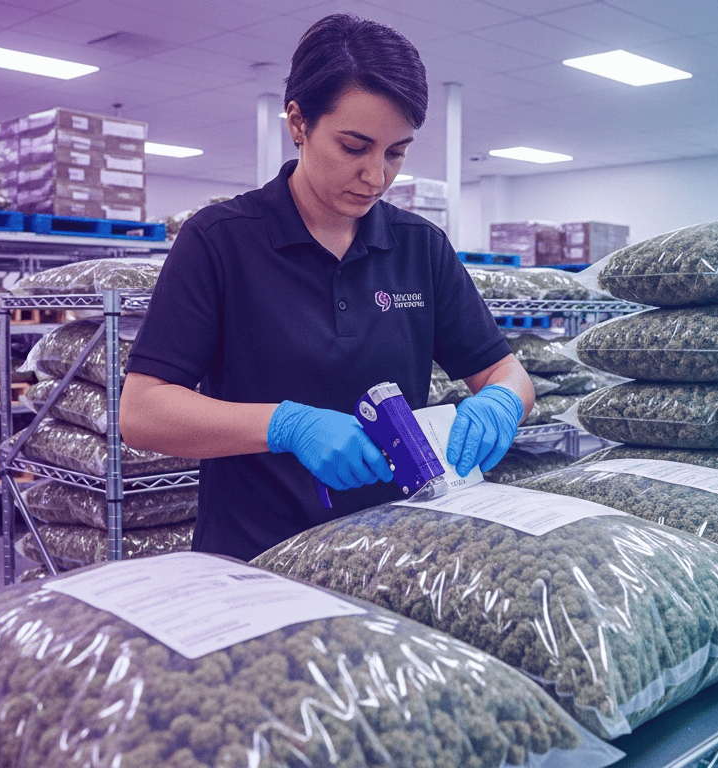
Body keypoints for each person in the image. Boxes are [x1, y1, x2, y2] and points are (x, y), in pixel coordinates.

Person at [121, 13, 534, 562]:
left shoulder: (420, 248)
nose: (377, 177)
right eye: (354, 146)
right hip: (256, 559)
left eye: (396, 152)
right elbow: (142, 411)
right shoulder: (220, 240)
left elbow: (506, 371)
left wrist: (502, 402)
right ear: (298, 122)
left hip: (393, 555)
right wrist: (285, 426)